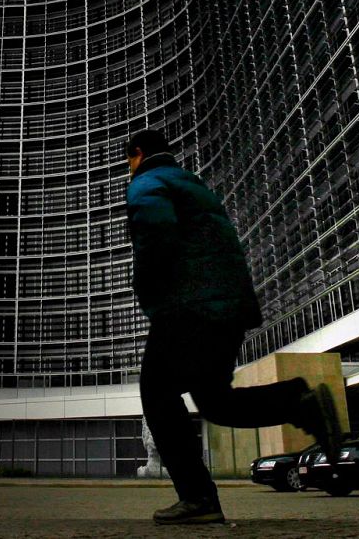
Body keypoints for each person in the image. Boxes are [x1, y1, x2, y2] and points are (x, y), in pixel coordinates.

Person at [124, 128, 342, 526]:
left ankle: (198, 498)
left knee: (157, 396)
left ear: (137, 155)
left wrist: (145, 287)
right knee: (214, 401)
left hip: (188, 307)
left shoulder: (148, 182)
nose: (129, 168)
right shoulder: (193, 185)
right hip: (228, 307)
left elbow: (155, 234)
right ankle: (297, 402)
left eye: (129, 161)